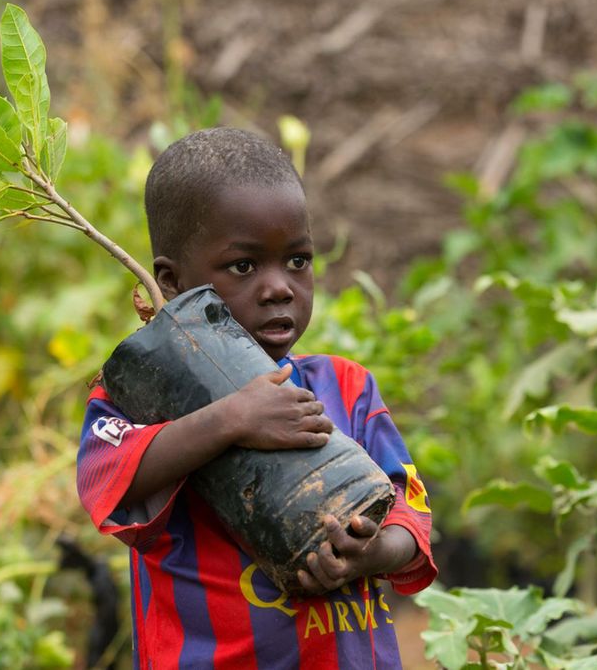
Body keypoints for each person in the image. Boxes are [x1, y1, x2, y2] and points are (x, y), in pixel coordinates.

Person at [77, 127, 437, 669]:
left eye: (298, 261)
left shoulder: (346, 387)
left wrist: (373, 552)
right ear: (172, 282)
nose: (279, 287)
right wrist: (231, 419)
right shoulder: (143, 399)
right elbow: (104, 479)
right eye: (244, 266)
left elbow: (410, 512)